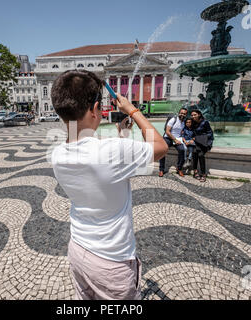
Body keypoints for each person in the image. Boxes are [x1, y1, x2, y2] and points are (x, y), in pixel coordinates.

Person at [51, 70, 168, 300]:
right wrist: (132, 111)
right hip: (112, 261)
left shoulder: (57, 154)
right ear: (95, 109)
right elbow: (161, 147)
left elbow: (98, 160)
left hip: (78, 249)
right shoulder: (111, 152)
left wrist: (122, 137)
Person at [158, 108, 189, 178]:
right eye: (181, 113)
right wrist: (175, 140)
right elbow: (167, 131)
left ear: (186, 115)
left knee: (182, 150)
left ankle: (179, 168)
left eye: (184, 114)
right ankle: (161, 169)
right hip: (168, 138)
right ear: (179, 113)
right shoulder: (173, 120)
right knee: (163, 149)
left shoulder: (184, 122)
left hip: (178, 139)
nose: (182, 115)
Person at [191, 110, 214, 183]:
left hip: (204, 142)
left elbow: (210, 133)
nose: (193, 116)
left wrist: (200, 138)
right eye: (192, 115)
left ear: (199, 115)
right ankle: (195, 171)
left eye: (195, 115)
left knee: (200, 155)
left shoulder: (205, 122)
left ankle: (203, 174)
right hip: (197, 142)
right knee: (194, 153)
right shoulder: (193, 122)